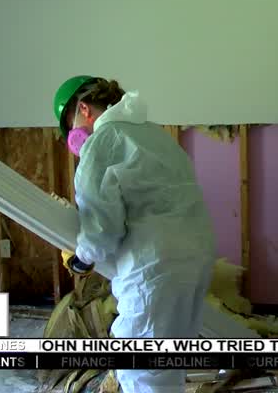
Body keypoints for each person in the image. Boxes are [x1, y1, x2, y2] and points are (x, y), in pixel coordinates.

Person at [52, 76, 217, 393]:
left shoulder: (103, 142)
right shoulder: (152, 133)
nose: (73, 138)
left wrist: (81, 259)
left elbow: (102, 226)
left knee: (140, 368)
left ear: (84, 108)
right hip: (195, 255)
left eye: (70, 125)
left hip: (154, 265)